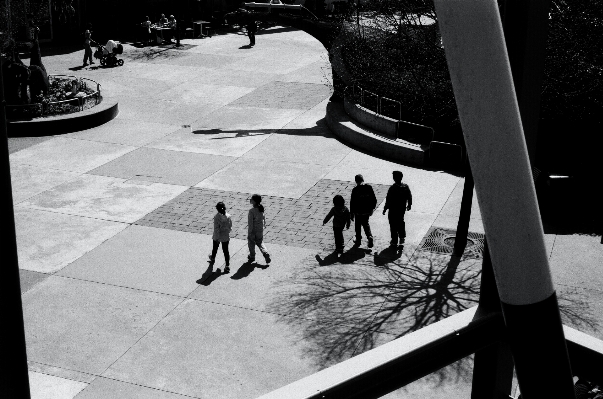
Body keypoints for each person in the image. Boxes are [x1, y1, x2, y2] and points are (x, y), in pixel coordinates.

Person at [383, 170, 412, 248]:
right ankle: (402, 238)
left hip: (393, 210)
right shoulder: (405, 187)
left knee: (393, 225)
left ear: (394, 178)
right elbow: (409, 196)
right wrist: (409, 205)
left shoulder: (392, 188)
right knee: (400, 222)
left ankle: (394, 240)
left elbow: (388, 200)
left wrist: (385, 209)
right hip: (401, 209)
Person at [350, 174, 377, 248]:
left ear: (356, 181)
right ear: (363, 179)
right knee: (366, 224)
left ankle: (358, 240)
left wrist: (351, 213)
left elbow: (352, 202)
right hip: (366, 210)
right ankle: (369, 236)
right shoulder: (369, 187)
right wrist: (372, 208)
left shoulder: (355, 190)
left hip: (358, 211)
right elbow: (374, 199)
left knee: (357, 225)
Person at [208, 202, 233, 273]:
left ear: (217, 209)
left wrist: (217, 238)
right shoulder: (228, 216)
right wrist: (227, 231)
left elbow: (216, 229)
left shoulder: (216, 217)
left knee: (215, 248)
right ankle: (227, 265)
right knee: (226, 251)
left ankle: (212, 258)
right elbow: (230, 226)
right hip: (225, 236)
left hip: (218, 236)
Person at [248, 194, 271, 264]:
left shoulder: (251, 211)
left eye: (251, 199)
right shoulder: (261, 209)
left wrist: (249, 232)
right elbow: (263, 218)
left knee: (251, 243)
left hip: (253, 230)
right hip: (260, 229)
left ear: (254, 201)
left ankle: (252, 256)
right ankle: (265, 252)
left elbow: (250, 223)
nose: (250, 200)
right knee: (260, 242)